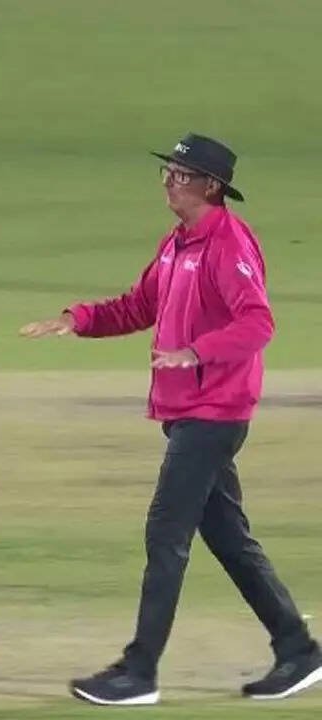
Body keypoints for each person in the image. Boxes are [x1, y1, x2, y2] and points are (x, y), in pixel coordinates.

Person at [21, 133, 322, 706]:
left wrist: (196, 353)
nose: (169, 181)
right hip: (189, 411)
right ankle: (298, 649)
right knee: (228, 538)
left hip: (215, 412)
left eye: (182, 175)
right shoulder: (177, 244)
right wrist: (76, 319)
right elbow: (140, 306)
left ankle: (140, 673)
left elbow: (258, 322)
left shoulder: (228, 243)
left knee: (166, 531)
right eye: (168, 172)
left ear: (212, 187)